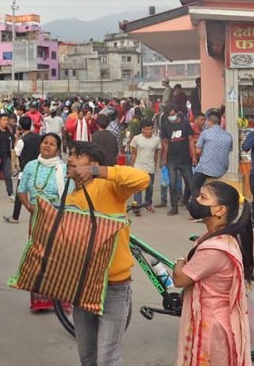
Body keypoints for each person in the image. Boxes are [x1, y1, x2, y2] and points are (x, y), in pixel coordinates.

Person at [65, 141, 150, 366]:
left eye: (78, 155)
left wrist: (97, 172)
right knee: (87, 357)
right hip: (81, 286)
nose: (71, 159)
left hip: (113, 285)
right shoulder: (69, 197)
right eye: (70, 154)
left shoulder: (109, 187)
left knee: (107, 359)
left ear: (93, 164)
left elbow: (142, 179)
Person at [172, 181, 254, 366]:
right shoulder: (219, 236)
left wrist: (179, 262)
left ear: (219, 210)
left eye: (203, 198)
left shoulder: (215, 249)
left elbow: (180, 279)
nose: (196, 201)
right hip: (214, 319)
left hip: (212, 326)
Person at [11, 132, 71, 310]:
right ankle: (41, 302)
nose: (47, 146)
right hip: (36, 218)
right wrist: (29, 206)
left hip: (58, 218)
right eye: (45, 142)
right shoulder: (30, 166)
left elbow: (70, 195)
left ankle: (62, 299)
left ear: (57, 149)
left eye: (52, 144)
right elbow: (21, 189)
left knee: (58, 258)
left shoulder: (64, 168)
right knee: (38, 257)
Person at [5, 116, 42, 223]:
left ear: (20, 126)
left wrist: (17, 137)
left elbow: (17, 152)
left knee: (20, 193)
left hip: (25, 170)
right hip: (38, 168)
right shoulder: (38, 137)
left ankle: (15, 217)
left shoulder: (22, 140)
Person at [160, 105, 196, 215]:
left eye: (173, 114)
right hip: (172, 159)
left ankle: (192, 205)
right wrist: (164, 158)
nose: (172, 117)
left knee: (190, 183)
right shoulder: (165, 126)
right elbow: (165, 143)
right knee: (173, 184)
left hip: (185, 159)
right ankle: (174, 207)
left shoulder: (185, 124)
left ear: (177, 113)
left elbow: (190, 139)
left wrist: (193, 155)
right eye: (169, 115)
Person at [129, 118, 160, 212]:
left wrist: (154, 165)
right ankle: (137, 206)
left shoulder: (156, 139)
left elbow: (156, 153)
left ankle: (148, 204)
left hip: (150, 166)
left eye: (150, 129)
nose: (149, 131)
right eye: (147, 129)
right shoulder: (136, 139)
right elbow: (134, 153)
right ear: (143, 129)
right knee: (138, 187)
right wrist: (132, 165)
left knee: (149, 187)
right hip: (138, 166)